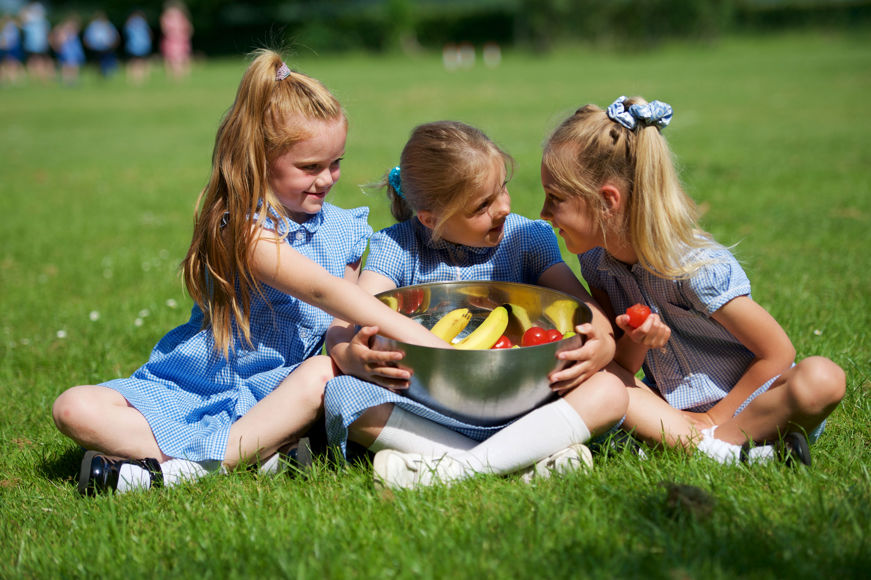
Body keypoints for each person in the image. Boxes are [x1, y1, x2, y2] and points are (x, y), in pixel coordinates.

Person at [51, 50, 449, 496]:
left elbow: (341, 323)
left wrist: (349, 354)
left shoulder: (345, 228)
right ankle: (251, 453)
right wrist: (424, 340)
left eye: (335, 162)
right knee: (74, 408)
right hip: (204, 379)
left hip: (285, 386)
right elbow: (324, 291)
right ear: (261, 159)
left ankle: (186, 468)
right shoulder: (239, 227)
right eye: (309, 167)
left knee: (322, 372)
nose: (327, 179)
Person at [538, 95, 845, 465]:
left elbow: (778, 353)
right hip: (672, 413)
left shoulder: (694, 268)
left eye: (555, 198)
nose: (543, 213)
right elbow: (622, 364)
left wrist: (717, 420)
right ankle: (740, 455)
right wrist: (639, 342)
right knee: (600, 378)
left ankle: (718, 445)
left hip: (756, 405)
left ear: (607, 201)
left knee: (824, 378)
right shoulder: (596, 263)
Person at [324, 121, 628, 489]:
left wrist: (605, 342)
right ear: (430, 219)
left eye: (503, 189)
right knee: (340, 394)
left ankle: (447, 468)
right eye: (483, 205)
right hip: (430, 408)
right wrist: (348, 355)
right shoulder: (397, 247)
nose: (503, 207)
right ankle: (525, 458)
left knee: (611, 391)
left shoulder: (526, 236)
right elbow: (347, 317)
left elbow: (584, 307)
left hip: (527, 399)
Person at [160, 0, 192, 81]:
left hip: (179, 40)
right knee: (172, 58)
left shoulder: (179, 17)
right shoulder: (167, 18)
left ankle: (179, 76)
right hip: (173, 40)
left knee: (180, 58)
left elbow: (188, 28)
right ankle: (175, 76)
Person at [50, 14, 85, 86]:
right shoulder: (64, 30)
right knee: (68, 65)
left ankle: (71, 80)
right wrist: (58, 47)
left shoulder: (69, 30)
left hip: (72, 49)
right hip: (68, 50)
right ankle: (67, 81)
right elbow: (60, 39)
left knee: (72, 65)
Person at [83, 11, 119, 78]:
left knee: (107, 61)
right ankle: (101, 73)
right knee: (99, 61)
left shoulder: (108, 25)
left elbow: (114, 35)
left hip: (106, 47)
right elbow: (87, 37)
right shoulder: (93, 26)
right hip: (96, 47)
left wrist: (113, 43)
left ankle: (106, 73)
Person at [123, 10, 152, 85]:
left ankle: (133, 79)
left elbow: (126, 33)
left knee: (132, 62)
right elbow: (148, 33)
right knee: (143, 62)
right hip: (144, 45)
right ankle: (143, 78)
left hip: (132, 46)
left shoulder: (130, 23)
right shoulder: (143, 22)